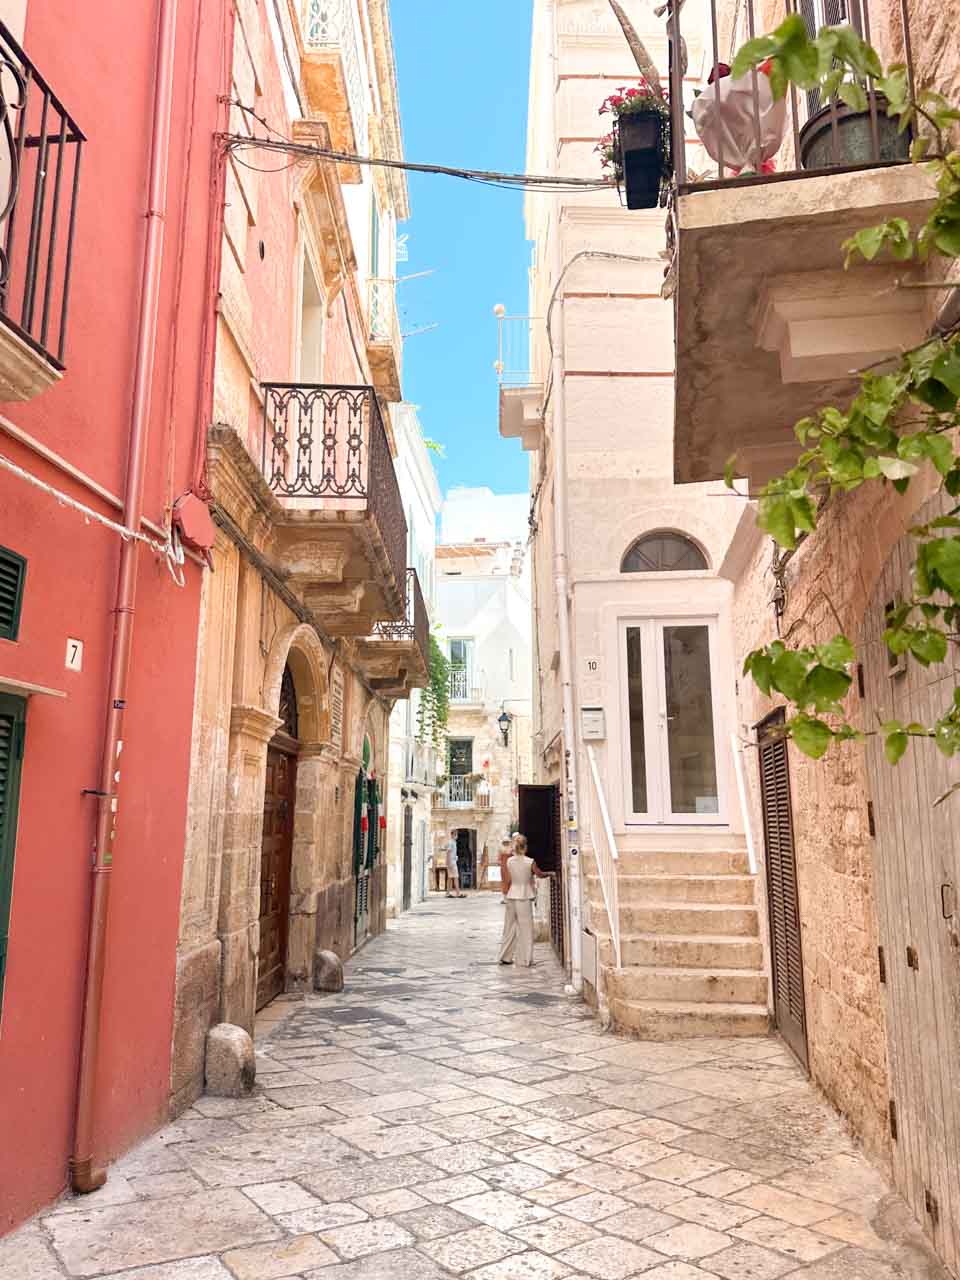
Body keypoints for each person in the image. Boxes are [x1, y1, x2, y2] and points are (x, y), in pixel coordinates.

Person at [497, 833, 552, 967]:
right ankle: (525, 959)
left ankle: (505, 956)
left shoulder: (510, 861)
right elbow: (539, 874)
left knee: (509, 927)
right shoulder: (530, 861)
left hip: (512, 895)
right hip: (524, 896)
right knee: (526, 928)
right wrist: (551, 873)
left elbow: (509, 879)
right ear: (525, 847)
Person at [445, 828, 466, 898]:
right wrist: (448, 862)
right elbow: (448, 852)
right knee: (456, 877)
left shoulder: (453, 842)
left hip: (452, 861)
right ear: (453, 835)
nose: (457, 836)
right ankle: (458, 893)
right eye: (456, 835)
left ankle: (447, 893)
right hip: (452, 862)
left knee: (450, 878)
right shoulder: (451, 842)